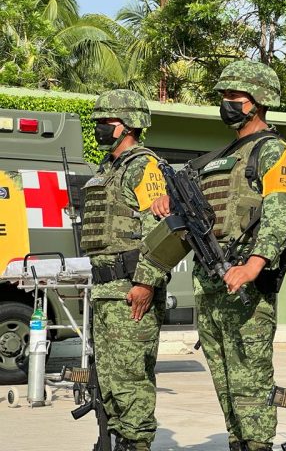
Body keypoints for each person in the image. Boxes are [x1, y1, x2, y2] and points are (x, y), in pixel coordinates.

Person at [152, 60, 286, 451]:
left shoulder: (273, 151)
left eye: (235, 96)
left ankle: (256, 445)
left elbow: (282, 213)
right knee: (226, 385)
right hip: (210, 281)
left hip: (243, 283)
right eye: (224, 96)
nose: (227, 103)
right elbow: (197, 210)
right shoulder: (215, 158)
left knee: (250, 384)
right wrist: (169, 202)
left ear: (259, 101)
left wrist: (253, 265)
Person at [81, 89, 168, 451]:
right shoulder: (108, 168)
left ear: (130, 125)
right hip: (105, 291)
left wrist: (146, 282)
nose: (100, 128)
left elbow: (161, 230)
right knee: (110, 381)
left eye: (107, 121)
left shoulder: (144, 166)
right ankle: (119, 441)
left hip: (130, 290)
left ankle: (136, 443)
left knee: (131, 380)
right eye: (98, 121)